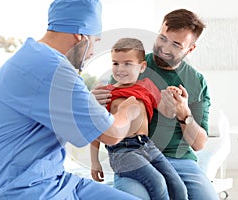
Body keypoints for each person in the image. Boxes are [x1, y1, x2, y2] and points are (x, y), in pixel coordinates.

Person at [0, 0, 142, 199]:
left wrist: (86, 103)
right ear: (80, 36)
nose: (92, 52)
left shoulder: (33, 57)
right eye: (95, 42)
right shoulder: (52, 69)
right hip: (20, 189)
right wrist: (127, 110)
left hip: (53, 178)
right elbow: (112, 134)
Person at [92, 9, 219, 200]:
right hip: (133, 155)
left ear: (190, 49)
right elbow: (107, 120)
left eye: (176, 44)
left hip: (180, 160)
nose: (165, 48)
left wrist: (184, 113)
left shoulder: (196, 81)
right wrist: (91, 101)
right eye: (162, 38)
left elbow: (199, 143)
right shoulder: (132, 65)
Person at [90, 38, 188, 200]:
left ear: (142, 66)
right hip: (122, 151)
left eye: (127, 63)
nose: (120, 69)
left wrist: (172, 96)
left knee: (177, 185)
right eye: (115, 63)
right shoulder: (106, 93)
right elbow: (96, 129)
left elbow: (167, 112)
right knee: (157, 182)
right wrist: (95, 162)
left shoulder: (147, 86)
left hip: (147, 146)